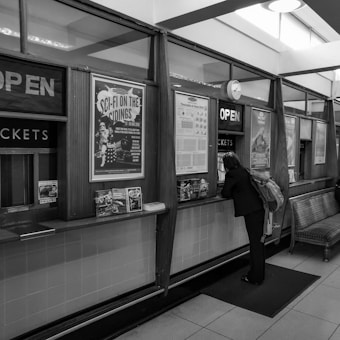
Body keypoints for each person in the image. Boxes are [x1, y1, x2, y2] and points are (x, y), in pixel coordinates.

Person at [221, 151, 265, 285]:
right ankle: (258, 274)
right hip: (258, 209)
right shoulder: (244, 170)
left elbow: (225, 193)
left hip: (251, 212)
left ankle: (255, 277)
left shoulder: (231, 174)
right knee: (258, 243)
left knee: (255, 244)